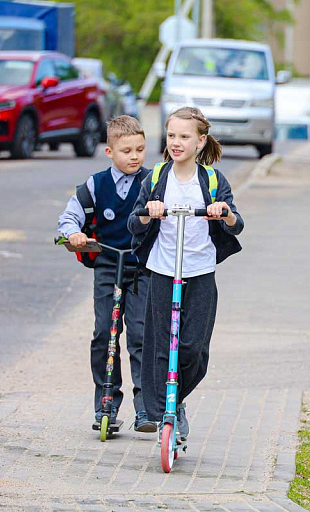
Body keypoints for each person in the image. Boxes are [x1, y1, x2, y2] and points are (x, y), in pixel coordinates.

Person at [128, 106, 243, 440]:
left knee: (194, 349)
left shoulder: (211, 180)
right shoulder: (155, 177)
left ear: (200, 141)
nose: (176, 142)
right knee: (159, 346)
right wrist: (150, 213)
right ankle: (159, 411)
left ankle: (175, 402)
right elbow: (133, 223)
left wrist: (224, 213)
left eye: (184, 136)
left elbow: (237, 223)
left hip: (200, 271)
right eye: (171, 135)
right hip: (163, 270)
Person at [57, 115, 156, 432]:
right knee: (106, 333)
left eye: (140, 149)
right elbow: (69, 216)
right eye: (127, 150)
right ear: (110, 152)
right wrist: (73, 233)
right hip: (107, 265)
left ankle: (146, 409)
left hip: (142, 267)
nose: (135, 156)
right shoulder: (95, 185)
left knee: (141, 336)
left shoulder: (153, 182)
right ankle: (106, 405)